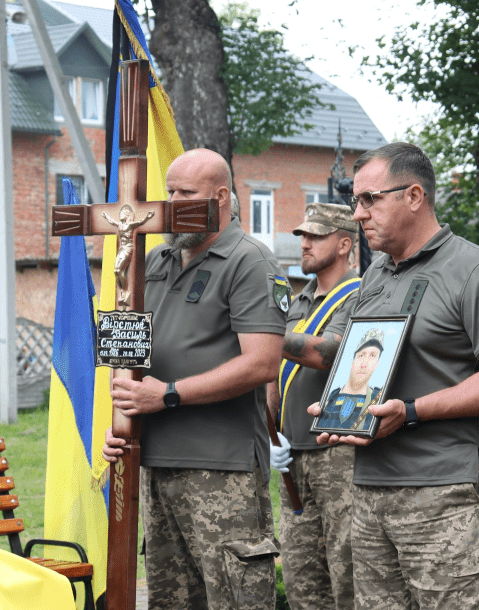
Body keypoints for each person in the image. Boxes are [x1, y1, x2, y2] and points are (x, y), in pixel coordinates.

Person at [309, 141, 479, 609]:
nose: (358, 213)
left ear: (414, 196)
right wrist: (337, 407)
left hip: (445, 494)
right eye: (355, 200)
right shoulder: (375, 277)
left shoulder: (475, 271)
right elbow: (357, 361)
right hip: (370, 492)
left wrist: (412, 412)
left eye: (370, 199)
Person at [102, 149, 287, 609]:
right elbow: (128, 357)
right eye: (168, 192)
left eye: (185, 194)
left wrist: (166, 395)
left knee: (236, 599)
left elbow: (263, 364)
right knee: (171, 602)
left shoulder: (250, 261)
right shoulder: (155, 259)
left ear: (220, 197)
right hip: (155, 464)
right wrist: (122, 425)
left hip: (222, 470)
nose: (168, 204)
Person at [268, 201, 360, 610]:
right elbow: (273, 372)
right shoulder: (297, 301)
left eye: (315, 236)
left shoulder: (358, 295)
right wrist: (270, 430)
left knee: (348, 575)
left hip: (338, 453)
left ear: (344, 244)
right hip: (294, 457)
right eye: (302, 235)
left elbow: (328, 353)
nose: (304, 243)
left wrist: (262, 331)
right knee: (303, 579)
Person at [318, 329, 384, 432]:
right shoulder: (331, 397)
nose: (364, 364)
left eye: (372, 356)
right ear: (352, 361)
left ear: (377, 363)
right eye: (361, 355)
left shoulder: (377, 399)